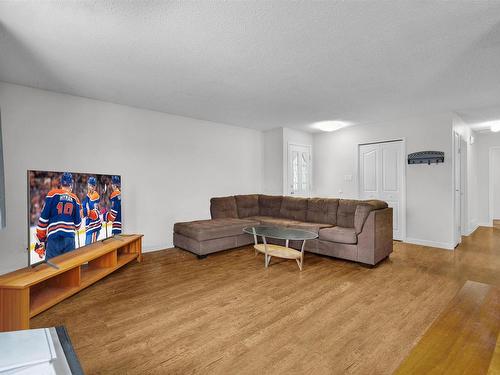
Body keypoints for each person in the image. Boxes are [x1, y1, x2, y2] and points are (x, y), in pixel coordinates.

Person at [36, 172, 82, 260]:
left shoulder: (52, 194)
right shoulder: (75, 198)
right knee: (70, 269)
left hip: (53, 238)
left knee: (51, 269)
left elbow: (43, 220)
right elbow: (78, 225)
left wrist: (41, 240)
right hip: (69, 238)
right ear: (71, 185)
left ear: (61, 184)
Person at [82, 176, 101, 245]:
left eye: (92, 186)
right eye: (90, 185)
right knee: (87, 248)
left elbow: (95, 214)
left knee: (91, 249)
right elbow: (84, 204)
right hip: (89, 225)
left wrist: (86, 212)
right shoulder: (89, 194)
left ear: (95, 187)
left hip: (94, 226)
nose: (91, 187)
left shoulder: (95, 196)